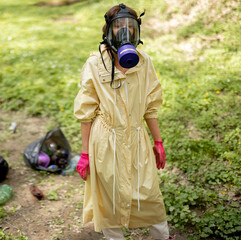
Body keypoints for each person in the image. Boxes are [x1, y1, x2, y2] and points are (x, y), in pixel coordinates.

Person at [74, 3, 175, 240]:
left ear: (136, 31)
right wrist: (85, 153)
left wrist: (158, 141)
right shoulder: (95, 64)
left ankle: (162, 236)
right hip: (105, 139)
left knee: (148, 190)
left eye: (129, 26)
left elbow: (151, 105)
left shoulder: (144, 61)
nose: (124, 31)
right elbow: (86, 112)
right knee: (108, 195)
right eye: (118, 26)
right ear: (108, 30)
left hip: (136, 136)